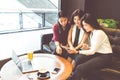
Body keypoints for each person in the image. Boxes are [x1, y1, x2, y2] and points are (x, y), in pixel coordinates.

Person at [68, 13, 113, 80]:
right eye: (83, 25)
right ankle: (76, 76)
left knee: (80, 68)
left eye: (85, 25)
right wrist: (87, 48)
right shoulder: (92, 32)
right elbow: (94, 48)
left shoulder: (99, 33)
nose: (84, 27)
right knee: (79, 58)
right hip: (97, 53)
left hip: (105, 57)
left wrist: (77, 51)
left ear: (91, 23)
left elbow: (92, 52)